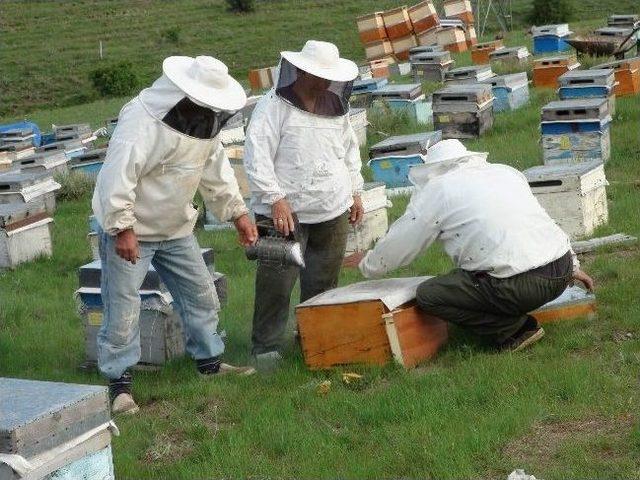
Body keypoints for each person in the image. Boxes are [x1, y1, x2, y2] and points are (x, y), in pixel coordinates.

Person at [92, 56, 258, 415]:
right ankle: (119, 386)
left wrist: (238, 212)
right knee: (123, 308)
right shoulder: (142, 118)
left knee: (202, 296)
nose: (211, 114)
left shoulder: (205, 124)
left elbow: (215, 170)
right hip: (133, 229)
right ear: (187, 95)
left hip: (177, 227)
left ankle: (210, 365)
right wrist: (123, 227)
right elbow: (117, 174)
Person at [345, 139, 594, 352]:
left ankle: (515, 331)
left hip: (519, 287)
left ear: (433, 168)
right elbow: (543, 222)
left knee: (430, 295)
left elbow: (401, 244)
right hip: (561, 271)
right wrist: (572, 264)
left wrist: (368, 263)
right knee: (467, 276)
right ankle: (511, 314)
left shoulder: (439, 189)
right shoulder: (505, 172)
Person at [243, 40, 365, 367]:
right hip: (284, 213)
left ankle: (313, 342)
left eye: (330, 75)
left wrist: (355, 190)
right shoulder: (273, 107)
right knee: (276, 284)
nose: (326, 81)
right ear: (300, 70)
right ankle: (265, 349)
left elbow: (348, 151)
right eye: (320, 75)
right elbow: (256, 156)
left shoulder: (335, 106)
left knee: (324, 283)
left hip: (332, 208)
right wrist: (275, 199)